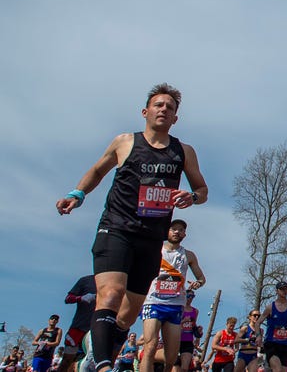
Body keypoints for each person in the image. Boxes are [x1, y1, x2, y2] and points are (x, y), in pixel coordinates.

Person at [56, 84, 209, 372]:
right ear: (145, 111)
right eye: (158, 105)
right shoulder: (125, 142)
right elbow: (99, 169)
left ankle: (94, 354)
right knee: (111, 294)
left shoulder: (183, 152)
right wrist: (77, 194)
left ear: (176, 118)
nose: (164, 110)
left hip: (151, 237)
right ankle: (103, 366)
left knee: (127, 316)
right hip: (116, 228)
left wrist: (193, 197)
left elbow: (202, 188)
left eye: (170, 108)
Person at [139, 219, 205, 372]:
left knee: (172, 356)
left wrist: (197, 284)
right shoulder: (155, 249)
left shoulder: (188, 255)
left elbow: (201, 278)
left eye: (180, 230)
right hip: (153, 301)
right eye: (173, 229)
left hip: (175, 305)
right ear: (166, 231)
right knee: (150, 345)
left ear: (184, 234)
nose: (177, 232)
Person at [62, 276, 97, 372]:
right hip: (78, 327)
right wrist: (81, 298)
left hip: (96, 329)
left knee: (90, 362)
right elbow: (68, 298)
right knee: (67, 361)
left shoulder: (112, 281)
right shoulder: (86, 280)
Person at [261, 282, 287, 372]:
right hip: (271, 343)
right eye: (282, 289)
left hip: (285, 344)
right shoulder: (270, 307)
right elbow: (258, 322)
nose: (284, 291)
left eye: (286, 289)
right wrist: (258, 336)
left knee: (283, 370)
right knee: (277, 369)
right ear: (277, 291)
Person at [174, 291, 200, 372]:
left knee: (185, 367)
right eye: (189, 296)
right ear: (185, 296)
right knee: (173, 365)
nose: (191, 298)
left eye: (193, 296)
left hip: (188, 341)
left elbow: (194, 325)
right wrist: (183, 321)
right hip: (176, 339)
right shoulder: (179, 308)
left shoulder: (195, 311)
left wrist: (198, 336)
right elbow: (173, 323)